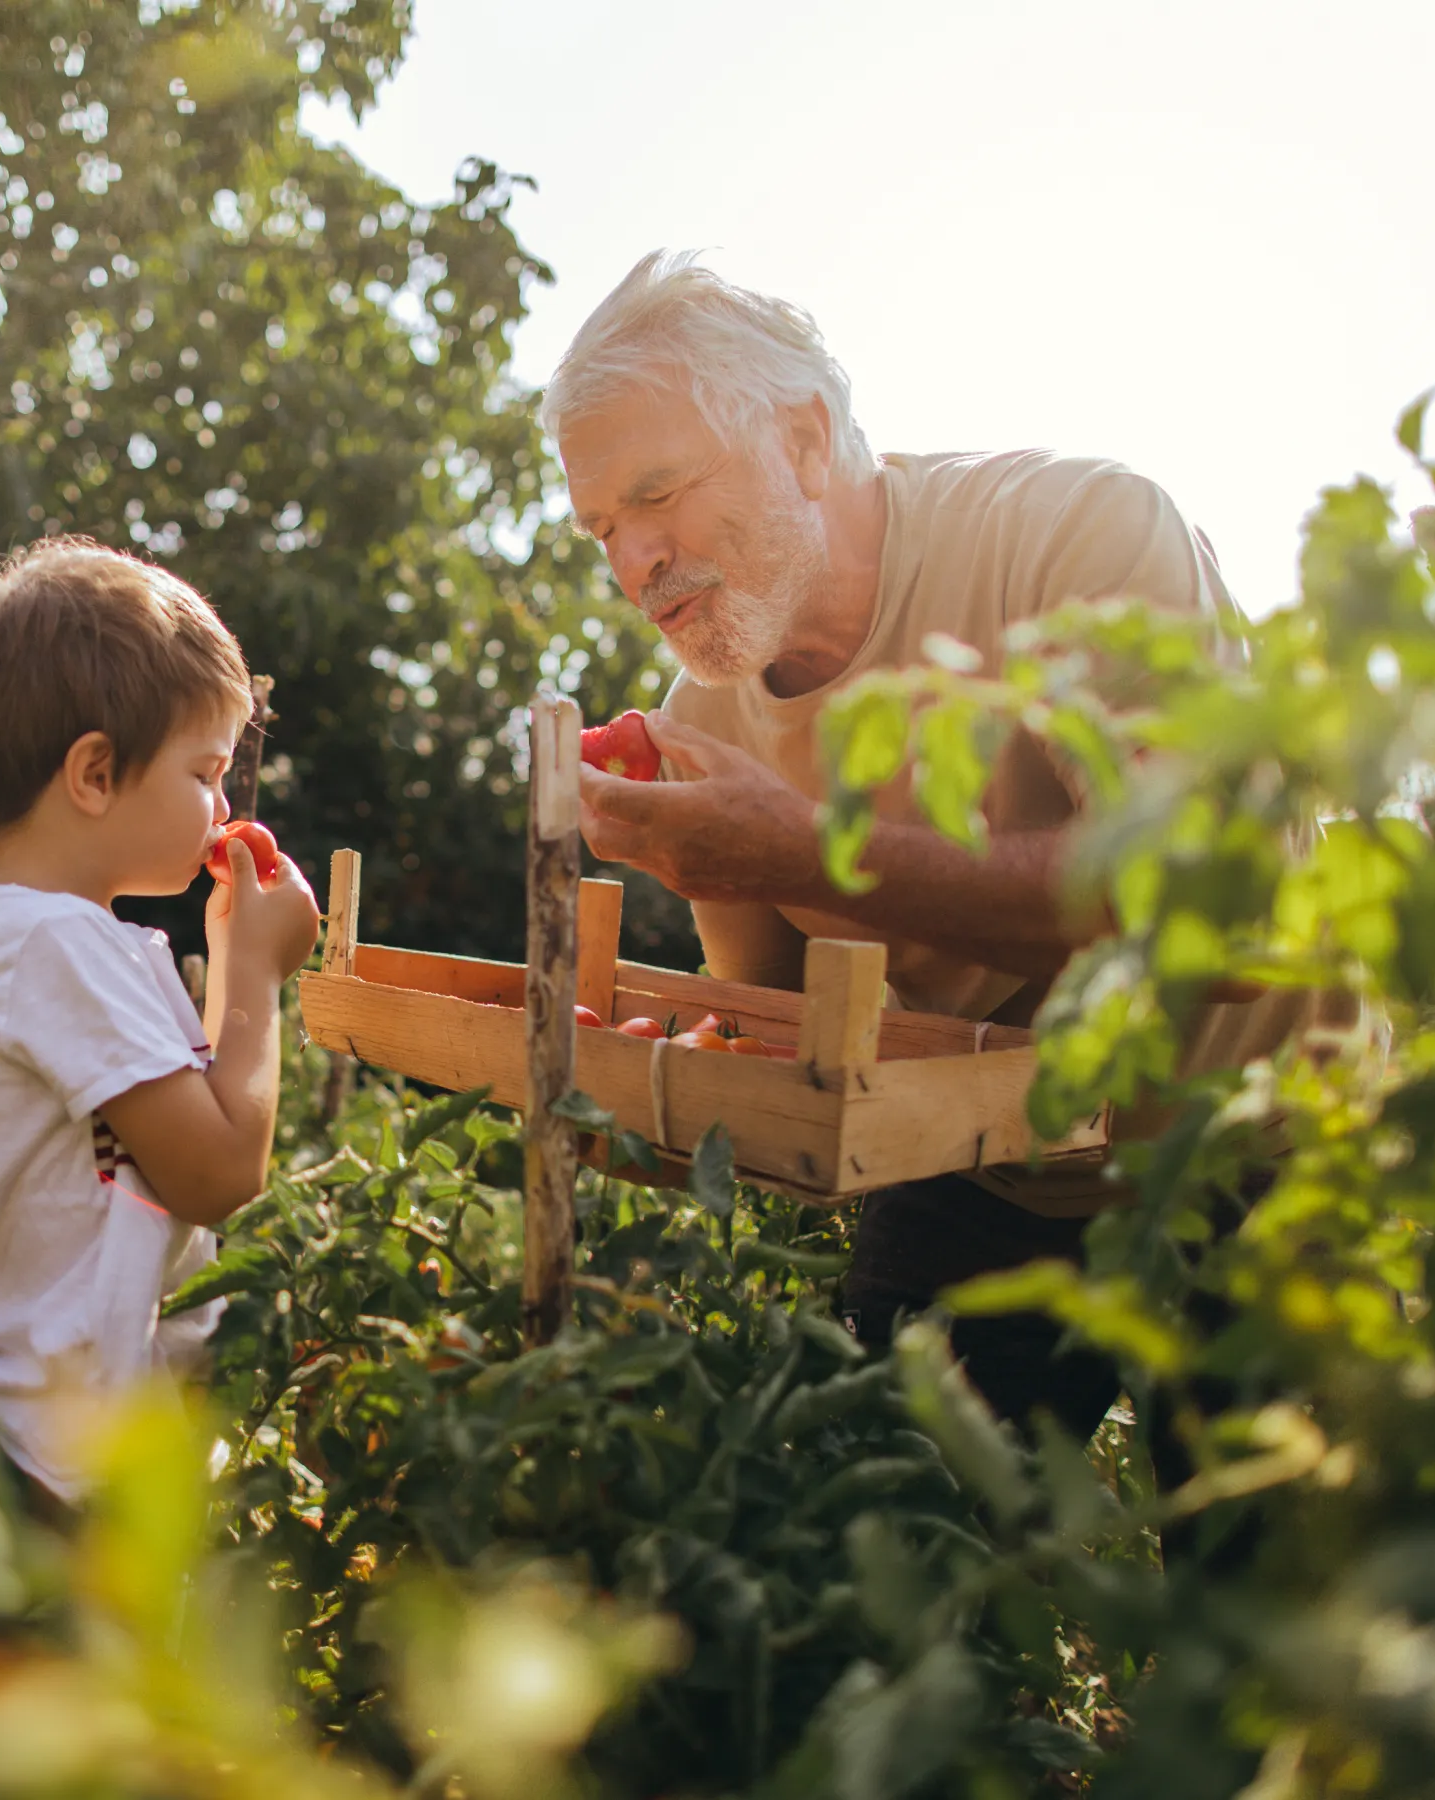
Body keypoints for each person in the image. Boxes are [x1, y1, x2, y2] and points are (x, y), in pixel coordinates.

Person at [543, 250, 1344, 1448]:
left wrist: (802, 854)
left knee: (1288, 1610)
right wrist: (658, 1062)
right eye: (600, 526)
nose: (631, 564)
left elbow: (1208, 919)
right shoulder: (701, 715)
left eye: (656, 494)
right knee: (892, 1562)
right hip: (979, 1171)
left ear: (806, 441)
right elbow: (777, 1035)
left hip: (1256, 1144)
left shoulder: (1076, 534)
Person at [0, 537, 322, 1510]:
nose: (222, 805)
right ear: (94, 774)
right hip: (46, 1472)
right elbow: (219, 1172)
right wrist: (250, 972)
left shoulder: (67, 943)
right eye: (204, 773)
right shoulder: (51, 946)